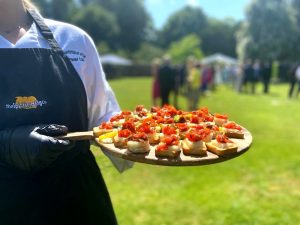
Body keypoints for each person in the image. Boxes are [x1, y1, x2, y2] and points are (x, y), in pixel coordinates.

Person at [0, 1, 131, 224]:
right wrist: (6, 144)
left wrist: (140, 133)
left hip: (78, 200)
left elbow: (104, 118)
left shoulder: (73, 40)